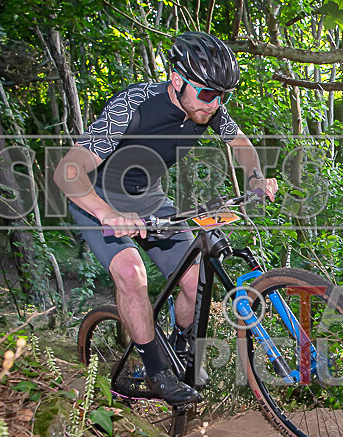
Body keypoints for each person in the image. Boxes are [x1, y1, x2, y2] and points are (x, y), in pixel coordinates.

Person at [54, 32, 278, 405]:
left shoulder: (210, 109)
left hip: (151, 199)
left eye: (223, 96)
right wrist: (108, 213)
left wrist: (255, 177)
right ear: (177, 81)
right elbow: (68, 172)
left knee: (196, 278)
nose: (216, 104)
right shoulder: (133, 106)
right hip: (97, 197)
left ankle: (180, 346)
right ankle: (157, 370)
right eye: (207, 94)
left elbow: (241, 145)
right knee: (131, 272)